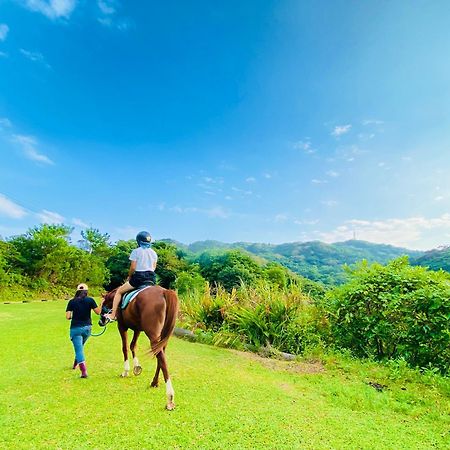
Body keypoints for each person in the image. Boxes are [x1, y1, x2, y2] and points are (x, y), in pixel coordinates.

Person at [105, 231, 157, 322]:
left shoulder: (136, 251)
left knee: (119, 292)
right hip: (151, 278)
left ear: (138, 241)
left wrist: (129, 276)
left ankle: (113, 314)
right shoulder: (154, 253)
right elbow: (154, 267)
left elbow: (133, 267)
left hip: (139, 277)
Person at [65, 283, 101, 378]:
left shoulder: (72, 302)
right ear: (86, 291)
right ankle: (75, 364)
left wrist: (74, 315)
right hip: (87, 329)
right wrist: (102, 302)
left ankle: (83, 371)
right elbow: (98, 312)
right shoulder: (90, 300)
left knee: (79, 350)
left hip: (76, 328)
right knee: (80, 347)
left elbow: (68, 317)